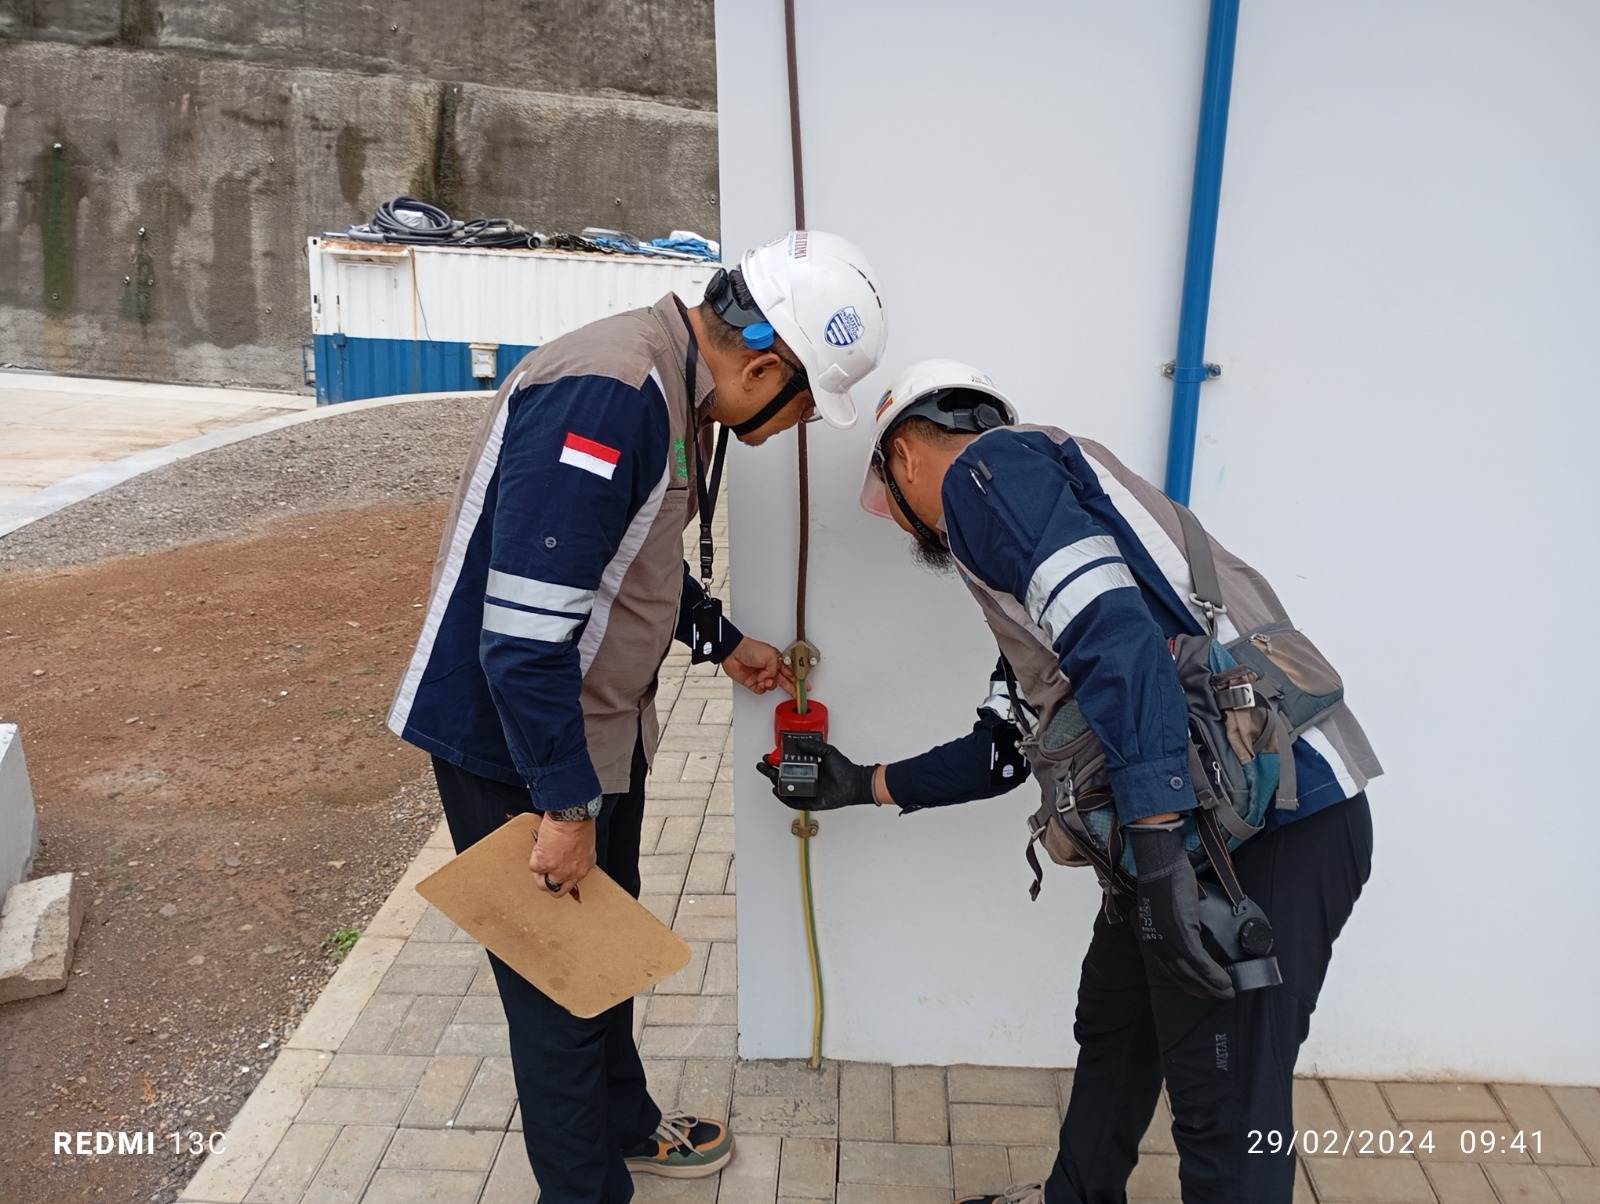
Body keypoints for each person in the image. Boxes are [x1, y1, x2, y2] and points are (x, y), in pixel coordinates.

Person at [758, 360, 1380, 1204]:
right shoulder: (1047, 535)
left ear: (906, 457)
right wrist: (860, 783)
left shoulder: (989, 474)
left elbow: (1119, 642)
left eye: (893, 499)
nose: (910, 530)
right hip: (1207, 827)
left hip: (1268, 835)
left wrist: (1159, 856)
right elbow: (1005, 748)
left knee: (1229, 1111)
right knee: (1118, 1028)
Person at [387, 231, 888, 1204]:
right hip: (520, 745)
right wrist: (565, 808)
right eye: (799, 410)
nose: (790, 430)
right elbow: (524, 639)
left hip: (587, 730)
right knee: (558, 995)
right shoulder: (610, 394)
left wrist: (718, 636)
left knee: (603, 940)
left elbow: (630, 557)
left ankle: (626, 1124)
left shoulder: (673, 391)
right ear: (763, 365)